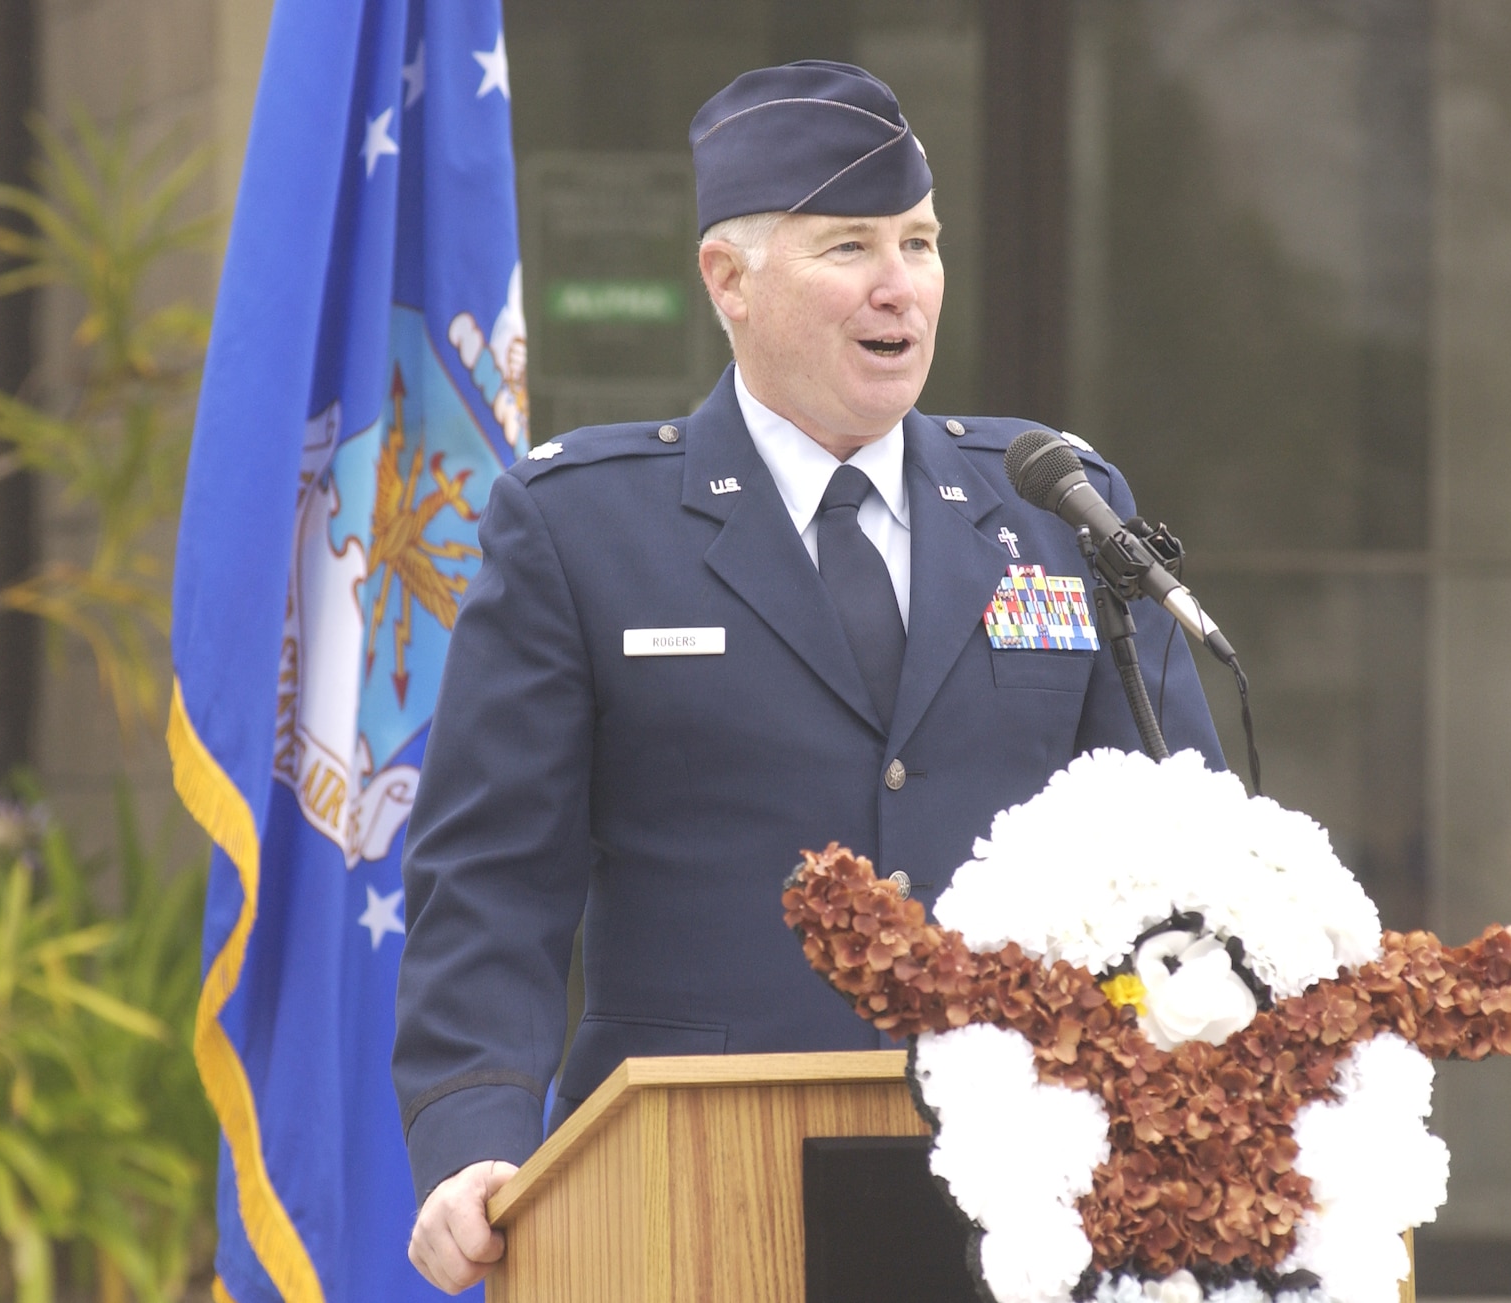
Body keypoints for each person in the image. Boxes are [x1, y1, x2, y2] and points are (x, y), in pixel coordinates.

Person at [394, 59, 1226, 1293]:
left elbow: (1178, 850)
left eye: (921, 240)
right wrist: (473, 1138)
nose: (899, 285)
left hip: (1028, 1192)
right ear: (726, 280)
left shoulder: (1051, 505)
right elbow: (492, 885)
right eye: (847, 246)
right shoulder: (581, 525)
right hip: (687, 1197)